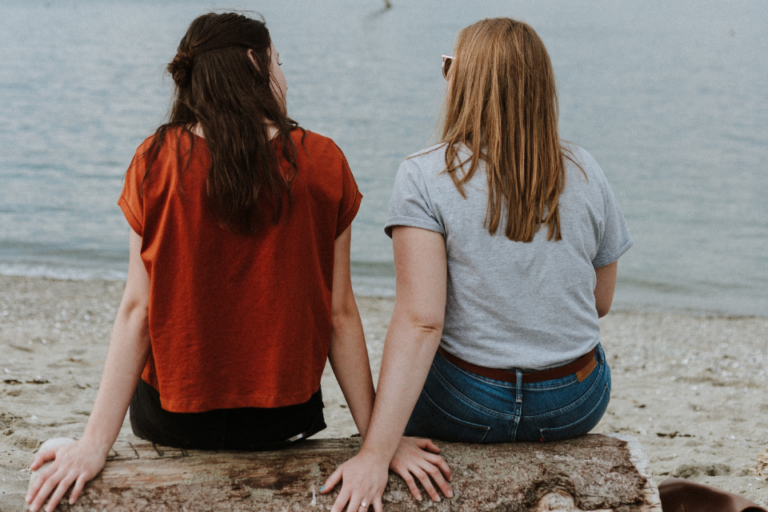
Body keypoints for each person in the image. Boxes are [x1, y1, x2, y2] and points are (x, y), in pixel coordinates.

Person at [24, 13, 447, 512]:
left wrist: (94, 443)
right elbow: (340, 314)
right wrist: (378, 441)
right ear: (254, 62)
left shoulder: (155, 161)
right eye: (279, 62)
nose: (284, 76)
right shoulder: (322, 161)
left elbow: (137, 310)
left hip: (171, 420)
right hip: (283, 420)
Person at [321, 17, 633, 511]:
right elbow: (601, 301)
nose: (445, 76)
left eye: (449, 66)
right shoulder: (585, 169)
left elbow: (422, 321)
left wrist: (375, 452)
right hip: (574, 402)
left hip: (466, 404)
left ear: (466, 84)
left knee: (419, 368)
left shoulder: (424, 175)